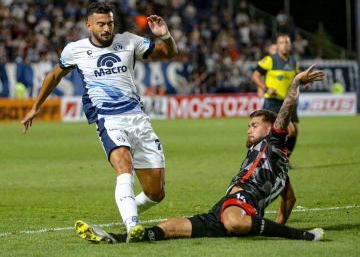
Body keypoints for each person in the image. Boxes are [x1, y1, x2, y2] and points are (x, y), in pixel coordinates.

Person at [75, 65, 325, 244]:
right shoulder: (277, 166)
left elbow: (284, 113)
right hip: (225, 205)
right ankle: (118, 238)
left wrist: (294, 84)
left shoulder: (274, 143)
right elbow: (289, 198)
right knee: (175, 226)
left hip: (241, 206)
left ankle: (302, 235)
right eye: (249, 125)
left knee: (235, 222)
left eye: (254, 125)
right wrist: (277, 224)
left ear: (270, 129)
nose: (249, 129)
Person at [21, 2, 178, 241]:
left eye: (110, 23)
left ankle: (128, 210)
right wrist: (36, 107)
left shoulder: (128, 41)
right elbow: (54, 75)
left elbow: (169, 53)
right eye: (101, 24)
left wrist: (164, 36)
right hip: (107, 118)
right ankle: (132, 225)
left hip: (138, 118)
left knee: (156, 192)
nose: (106, 28)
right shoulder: (75, 50)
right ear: (89, 25)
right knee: (123, 166)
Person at [252, 33, 299, 159]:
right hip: (274, 101)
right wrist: (265, 88)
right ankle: (271, 156)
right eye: (281, 42)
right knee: (290, 130)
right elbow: (255, 75)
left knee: (295, 132)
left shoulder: (293, 61)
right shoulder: (270, 60)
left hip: (289, 101)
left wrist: (304, 82)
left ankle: (285, 158)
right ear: (277, 45)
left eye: (287, 42)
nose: (284, 45)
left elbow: (297, 76)